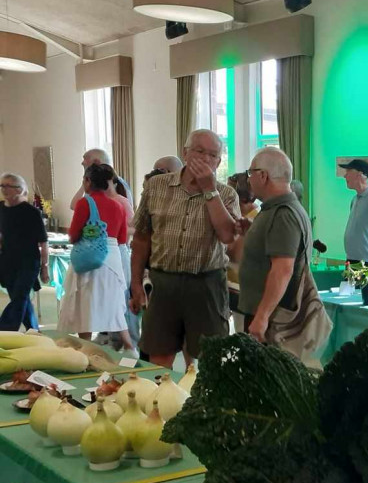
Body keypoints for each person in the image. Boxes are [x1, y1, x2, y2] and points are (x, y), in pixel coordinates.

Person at [130, 129, 240, 368]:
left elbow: (226, 235)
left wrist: (209, 190)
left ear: (219, 162)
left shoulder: (226, 194)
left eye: (212, 155)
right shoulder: (156, 187)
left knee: (211, 358)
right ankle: (160, 400)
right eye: (199, 151)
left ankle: (203, 403)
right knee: (158, 355)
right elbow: (141, 239)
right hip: (163, 282)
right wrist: (136, 284)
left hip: (206, 284)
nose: (205, 159)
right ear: (185, 152)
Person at [239, 147, 329, 362]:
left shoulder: (284, 214)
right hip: (266, 314)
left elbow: (283, 269)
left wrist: (261, 317)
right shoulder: (274, 210)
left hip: (272, 318)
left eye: (250, 173)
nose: (248, 179)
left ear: (263, 175)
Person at [57, 164, 135, 351]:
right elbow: (123, 238)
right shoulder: (118, 205)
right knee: (114, 305)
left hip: (90, 256)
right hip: (113, 258)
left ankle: (86, 348)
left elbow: (74, 234)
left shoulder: (85, 203)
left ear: (88, 181)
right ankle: (130, 348)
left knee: (85, 302)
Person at [0, 173, 49, 330]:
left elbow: (43, 242)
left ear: (19, 190)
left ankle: (5, 332)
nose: (4, 189)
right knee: (20, 299)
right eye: (2, 185)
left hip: (28, 262)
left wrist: (44, 267)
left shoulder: (32, 212)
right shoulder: (0, 208)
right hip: (7, 261)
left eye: (8, 186)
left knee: (19, 298)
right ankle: (34, 331)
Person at [226, 170, 258, 331]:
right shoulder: (238, 217)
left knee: (243, 334)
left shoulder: (254, 219)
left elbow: (237, 256)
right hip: (233, 285)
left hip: (244, 289)